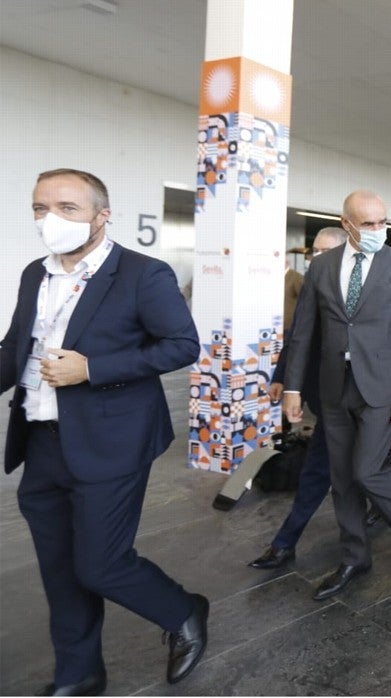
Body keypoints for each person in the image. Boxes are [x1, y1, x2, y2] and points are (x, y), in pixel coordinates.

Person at [1, 169, 209, 693]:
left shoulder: (143, 273)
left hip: (112, 442)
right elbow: (12, 352)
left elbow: (182, 345)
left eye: (67, 208)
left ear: (101, 214)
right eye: (40, 207)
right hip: (42, 441)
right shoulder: (34, 273)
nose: (51, 218)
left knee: (100, 565)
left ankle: (183, 611)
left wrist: (92, 368)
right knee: (59, 569)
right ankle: (81, 672)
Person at [282, 190, 391, 601]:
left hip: (381, 386)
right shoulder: (323, 267)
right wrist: (293, 386)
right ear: (346, 224)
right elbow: (304, 332)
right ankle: (354, 556)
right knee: (341, 478)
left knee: (367, 470)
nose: (378, 230)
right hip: (332, 385)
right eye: (368, 224)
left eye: (383, 222)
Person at [248, 228, 386, 570]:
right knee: (328, 467)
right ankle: (286, 542)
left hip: (363, 394)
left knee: (346, 468)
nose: (317, 258)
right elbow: (297, 338)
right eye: (315, 252)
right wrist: (283, 379)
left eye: (326, 252)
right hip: (325, 396)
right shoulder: (313, 286)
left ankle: (288, 542)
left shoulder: (362, 292)